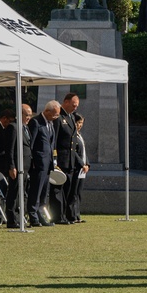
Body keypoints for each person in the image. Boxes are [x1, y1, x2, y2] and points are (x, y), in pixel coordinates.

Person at [28, 101, 61, 228]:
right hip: (38, 164)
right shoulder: (36, 122)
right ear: (47, 111)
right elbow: (32, 144)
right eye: (54, 115)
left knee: (44, 192)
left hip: (48, 164)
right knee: (35, 191)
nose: (56, 117)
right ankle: (33, 216)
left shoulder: (51, 124)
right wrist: (33, 162)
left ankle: (41, 215)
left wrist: (54, 160)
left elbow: (52, 144)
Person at [52, 93, 80, 224]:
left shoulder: (71, 117)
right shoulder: (59, 118)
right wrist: (55, 160)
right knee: (58, 190)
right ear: (66, 102)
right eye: (73, 105)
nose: (75, 108)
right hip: (61, 160)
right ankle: (58, 216)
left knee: (68, 189)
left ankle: (66, 215)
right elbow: (54, 140)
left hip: (70, 161)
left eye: (77, 106)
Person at [69, 113, 88, 223]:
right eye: (78, 122)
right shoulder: (73, 136)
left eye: (81, 123)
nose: (80, 125)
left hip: (83, 168)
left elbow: (84, 152)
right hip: (77, 167)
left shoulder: (79, 135)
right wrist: (82, 164)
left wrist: (87, 164)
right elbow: (74, 153)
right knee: (74, 192)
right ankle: (71, 215)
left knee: (79, 193)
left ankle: (77, 215)